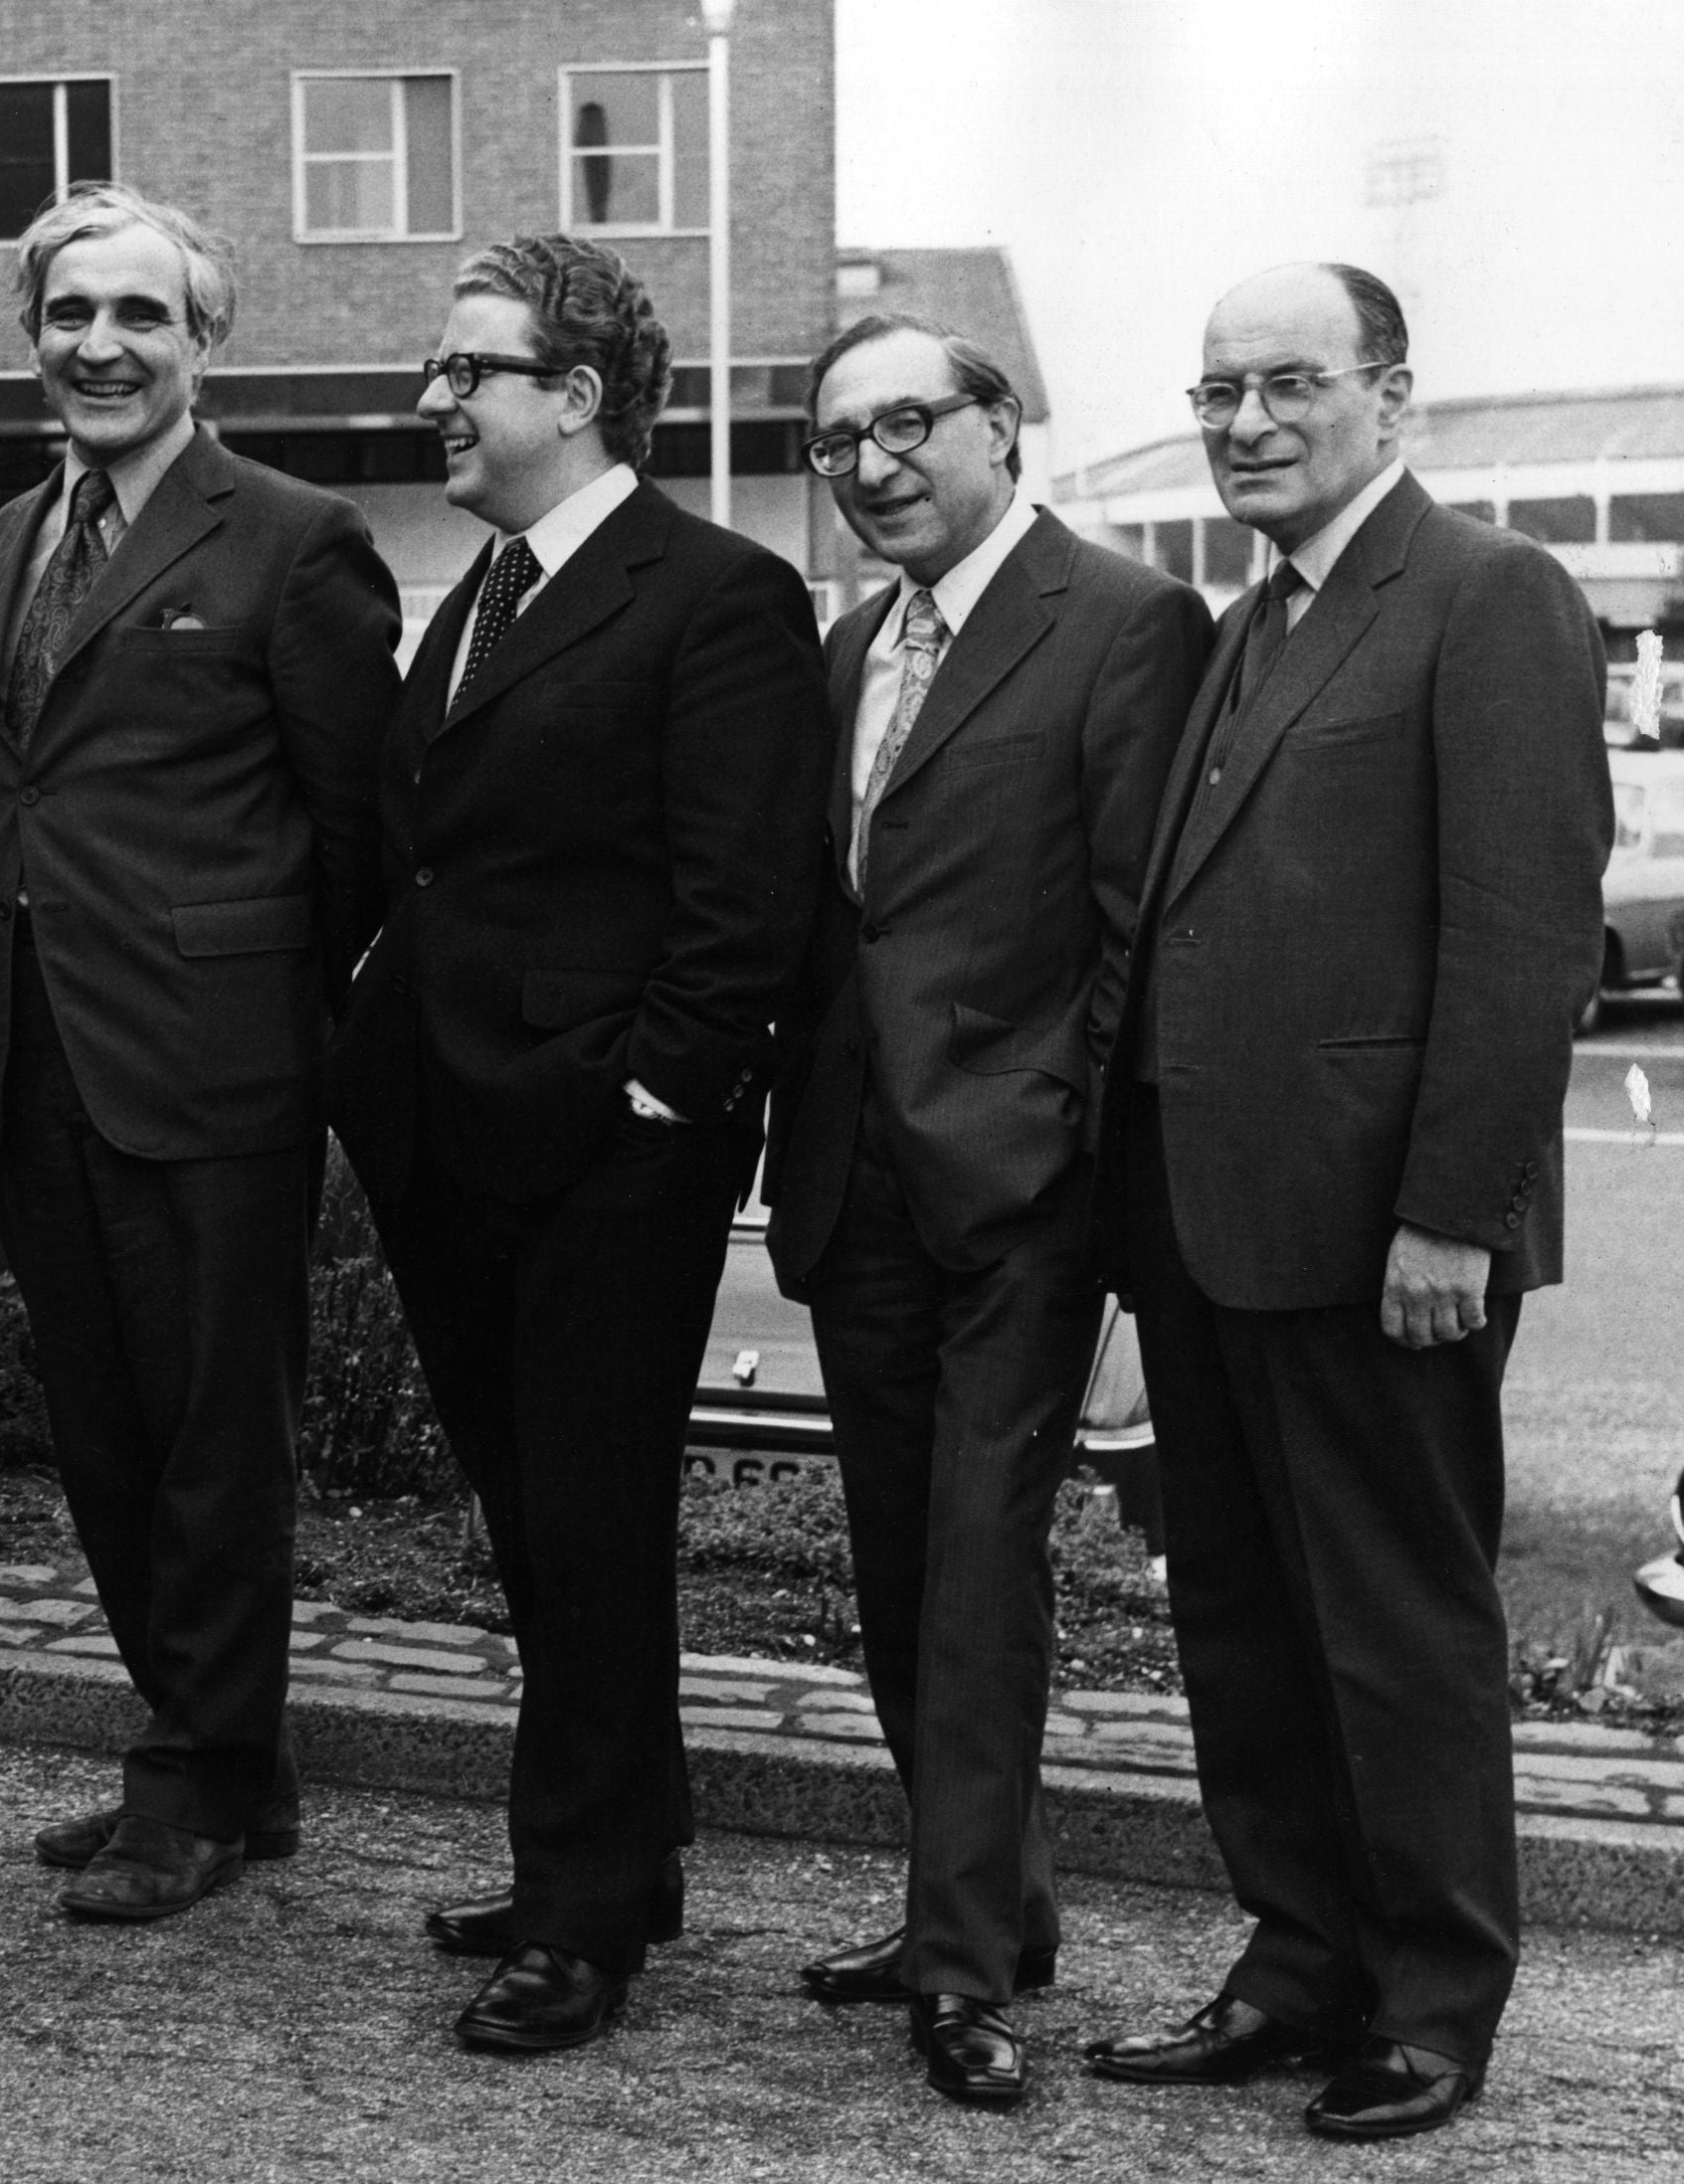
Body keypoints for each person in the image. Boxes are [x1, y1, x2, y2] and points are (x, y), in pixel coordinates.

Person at [1086, 264, 1611, 2141]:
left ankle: (1430, 2003)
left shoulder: (1487, 596)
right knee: (1240, 1616)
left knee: (1393, 1622)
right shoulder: (1249, 622)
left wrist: (1451, 1218)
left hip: (1380, 1235)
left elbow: (1526, 934)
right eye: (1215, 390)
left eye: (1287, 383)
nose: (1241, 423)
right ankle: (1295, 1965)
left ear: (1393, 396)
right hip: (1209, 1228)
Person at [329, 234, 832, 2052]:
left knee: (593, 1524)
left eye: (470, 369)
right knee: (533, 1524)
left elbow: (744, 894)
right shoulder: (473, 594)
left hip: (608, 1156)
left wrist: (653, 1100)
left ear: (579, 395)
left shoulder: (712, 597)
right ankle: (623, 1853)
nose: (435, 398)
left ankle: (584, 1911)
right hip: (444, 1132)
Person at [761, 315, 1210, 2103]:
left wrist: (1061, 1156)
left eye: (905, 425)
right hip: (852, 1172)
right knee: (893, 1560)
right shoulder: (851, 640)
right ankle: (988, 1901)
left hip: (1015, 1190)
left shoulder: (1122, 622)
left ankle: (958, 1972)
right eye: (834, 442)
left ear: (998, 427)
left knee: (973, 1563)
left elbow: (1134, 930)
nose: (870, 466)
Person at [0, 183, 400, 1922]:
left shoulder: (295, 539)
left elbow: (354, 829)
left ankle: (190, 1790)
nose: (102, 347)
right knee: (109, 1438)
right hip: (30, 1053)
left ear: (203, 340)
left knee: (216, 1438)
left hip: (209, 1066)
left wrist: (266, 1011)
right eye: (71, 316)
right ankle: (232, 1754)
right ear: (33, 338)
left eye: (140, 316)